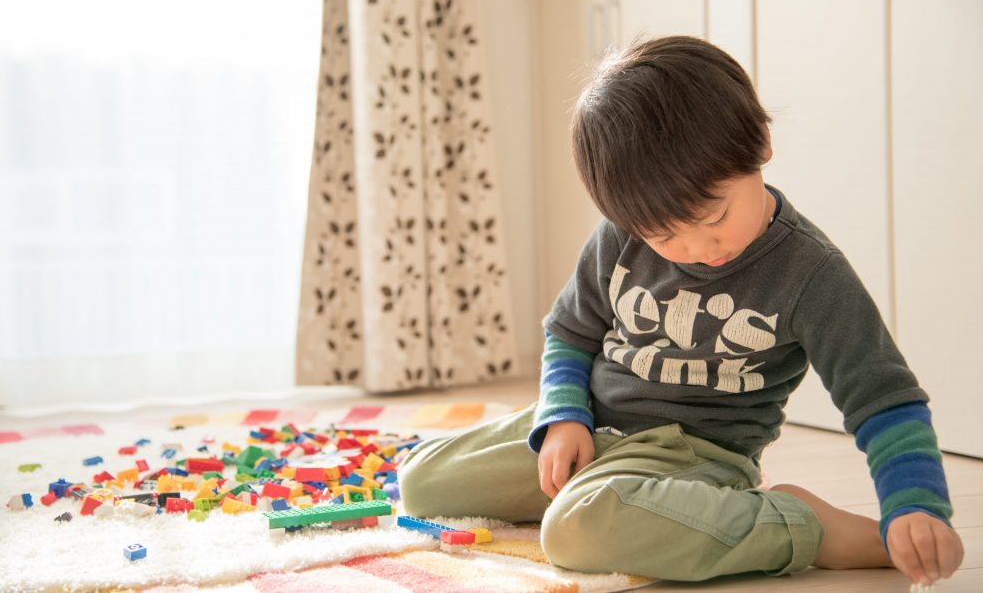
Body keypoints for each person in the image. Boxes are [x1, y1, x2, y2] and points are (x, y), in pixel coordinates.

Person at [397, 36, 964, 586]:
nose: (698, 247)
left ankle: (804, 526)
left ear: (761, 144)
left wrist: (916, 506)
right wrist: (565, 416)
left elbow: (883, 399)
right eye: (664, 234)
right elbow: (569, 333)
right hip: (591, 430)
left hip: (694, 455)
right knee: (421, 479)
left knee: (574, 531)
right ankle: (636, 507)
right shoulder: (619, 237)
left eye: (715, 217)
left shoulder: (811, 273)